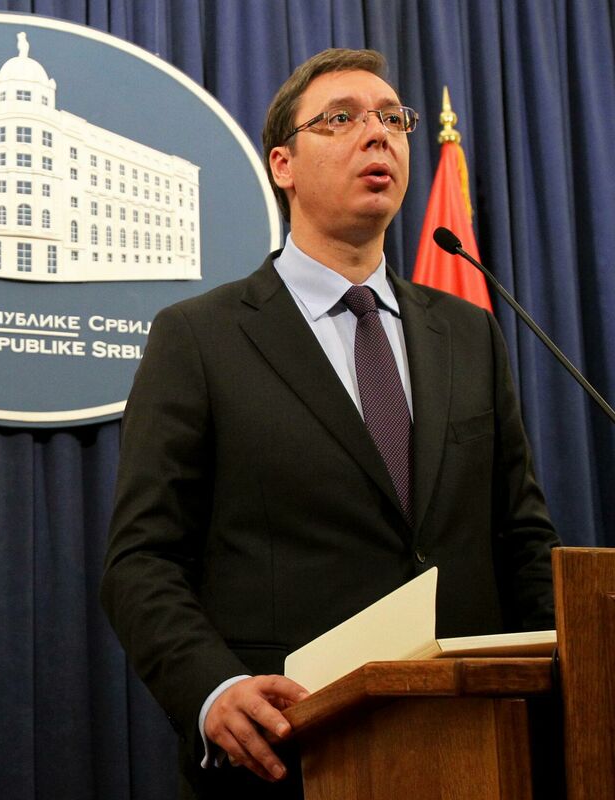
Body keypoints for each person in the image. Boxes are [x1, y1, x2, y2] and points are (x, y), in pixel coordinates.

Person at [100, 48, 559, 799]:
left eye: (393, 119)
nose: (378, 134)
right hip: (292, 750)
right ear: (282, 165)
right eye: (341, 119)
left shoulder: (469, 331)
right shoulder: (200, 337)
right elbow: (141, 560)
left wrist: (569, 685)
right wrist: (213, 689)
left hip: (479, 744)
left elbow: (522, 537)